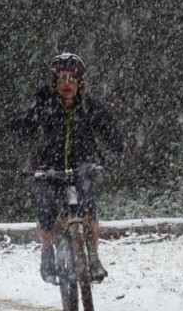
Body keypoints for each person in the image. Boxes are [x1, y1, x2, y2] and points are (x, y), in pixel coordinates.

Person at [12, 52, 123, 284]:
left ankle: (93, 256)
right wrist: (26, 124)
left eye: (72, 79)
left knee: (89, 210)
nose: (66, 84)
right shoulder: (43, 102)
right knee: (45, 211)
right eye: (61, 78)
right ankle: (47, 252)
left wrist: (113, 155)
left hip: (82, 166)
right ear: (54, 82)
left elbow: (111, 132)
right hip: (48, 167)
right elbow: (20, 128)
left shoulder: (88, 107)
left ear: (80, 83)